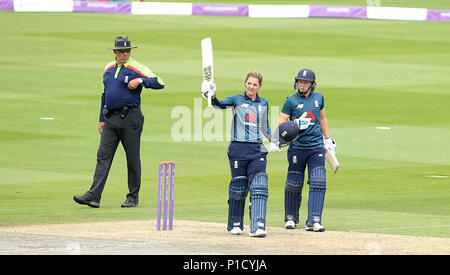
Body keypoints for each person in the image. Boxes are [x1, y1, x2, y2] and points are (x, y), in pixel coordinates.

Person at [74, 36, 164, 208]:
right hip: (110, 119)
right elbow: (104, 93)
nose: (125, 54)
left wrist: (140, 80)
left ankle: (133, 197)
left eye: (127, 51)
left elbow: (159, 82)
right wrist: (101, 118)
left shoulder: (137, 67)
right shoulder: (108, 68)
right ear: (115, 52)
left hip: (131, 118)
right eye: (121, 51)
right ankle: (93, 196)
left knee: (132, 159)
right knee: (102, 157)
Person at [201, 72, 272, 237]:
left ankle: (258, 226)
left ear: (259, 86)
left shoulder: (264, 103)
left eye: (255, 84)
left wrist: (274, 141)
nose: (251, 87)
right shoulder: (236, 100)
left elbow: (265, 128)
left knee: (259, 186)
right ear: (245, 83)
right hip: (238, 149)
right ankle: (235, 224)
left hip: (257, 149)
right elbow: (217, 105)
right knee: (239, 188)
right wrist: (210, 94)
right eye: (249, 83)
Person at [270, 68, 335, 232]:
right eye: (300, 81)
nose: (302, 85)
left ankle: (314, 220)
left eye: (305, 82)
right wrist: (296, 125)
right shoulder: (290, 101)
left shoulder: (318, 98)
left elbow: (322, 118)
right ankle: (291, 218)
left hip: (316, 147)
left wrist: (327, 139)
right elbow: (280, 122)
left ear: (312, 84)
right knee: (294, 183)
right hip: (297, 147)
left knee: (318, 181)